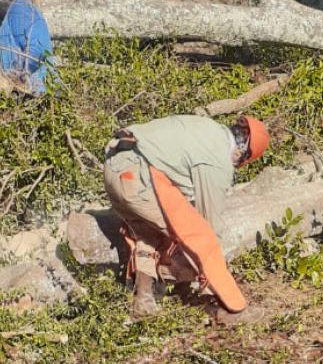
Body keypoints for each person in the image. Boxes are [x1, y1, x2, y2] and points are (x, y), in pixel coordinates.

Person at [103, 114, 269, 324]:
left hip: (114, 167)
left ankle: (143, 301)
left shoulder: (205, 128)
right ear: (241, 151)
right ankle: (228, 308)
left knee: (149, 233)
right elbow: (207, 226)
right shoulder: (218, 158)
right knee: (201, 238)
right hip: (139, 177)